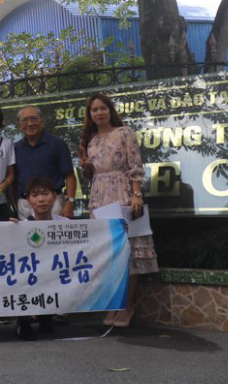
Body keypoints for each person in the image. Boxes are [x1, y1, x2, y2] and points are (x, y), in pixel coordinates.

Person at [80, 92, 158, 328]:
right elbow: (90, 174)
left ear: (110, 110)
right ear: (90, 114)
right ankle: (113, 304)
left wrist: (136, 194)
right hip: (99, 197)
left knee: (128, 253)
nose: (99, 113)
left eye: (103, 108)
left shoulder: (125, 132)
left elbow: (135, 164)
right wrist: (86, 167)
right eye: (94, 110)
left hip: (123, 193)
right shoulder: (90, 139)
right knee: (108, 255)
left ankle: (126, 306)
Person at [9, 177, 65, 340]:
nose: (41, 199)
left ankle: (46, 317)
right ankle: (23, 321)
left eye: (45, 193)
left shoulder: (66, 224)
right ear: (28, 200)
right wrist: (9, 230)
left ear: (54, 196)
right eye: (35, 195)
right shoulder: (22, 226)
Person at [14, 105, 77, 220]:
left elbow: (69, 176)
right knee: (28, 232)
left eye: (34, 119)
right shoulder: (16, 148)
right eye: (25, 120)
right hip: (25, 204)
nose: (30, 123)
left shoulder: (57, 144)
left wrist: (70, 202)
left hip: (53, 203)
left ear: (42, 121)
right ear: (19, 125)